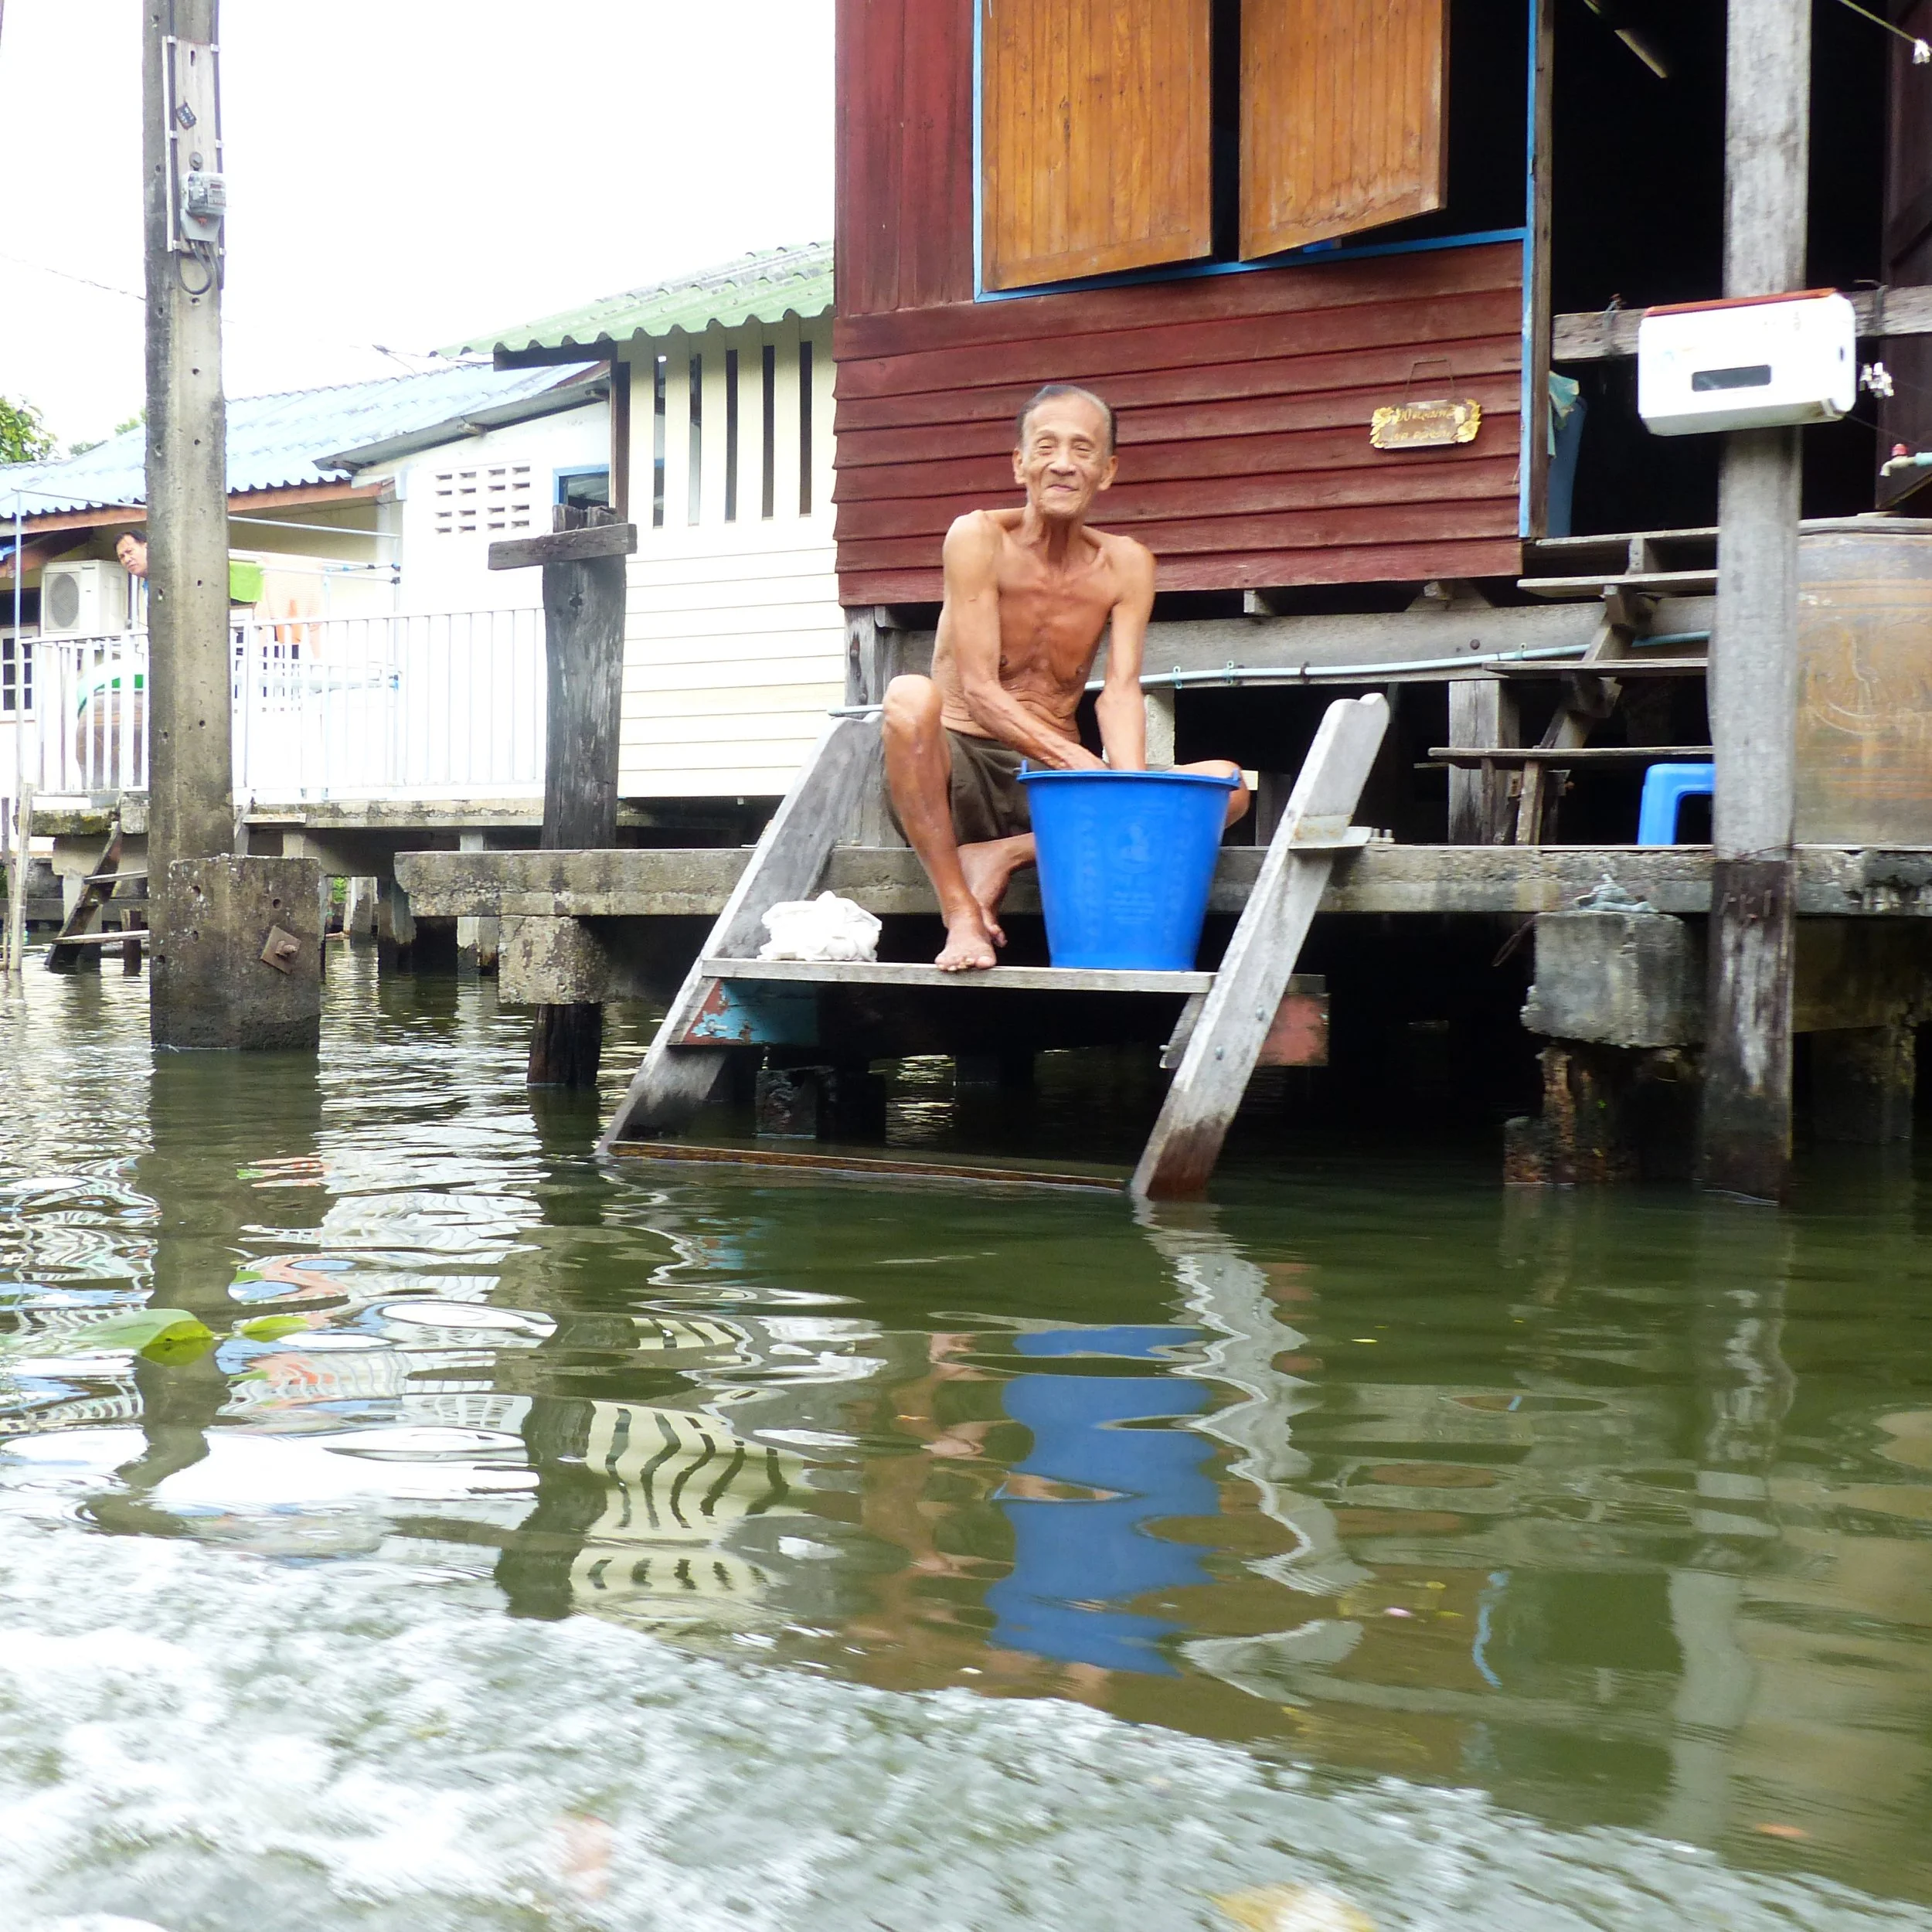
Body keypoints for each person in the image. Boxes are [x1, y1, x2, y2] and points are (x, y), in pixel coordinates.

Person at [882, 383, 1248, 971]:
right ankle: (961, 914)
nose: (1062, 464)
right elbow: (979, 688)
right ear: (1019, 463)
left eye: (1082, 450)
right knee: (907, 697)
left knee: (1229, 786)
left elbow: (1121, 692)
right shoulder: (976, 538)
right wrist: (1086, 768)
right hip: (961, 770)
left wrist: (1122, 795)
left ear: (1107, 471)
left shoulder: (1127, 562)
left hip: (1048, 785)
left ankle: (1004, 855)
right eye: (1046, 446)